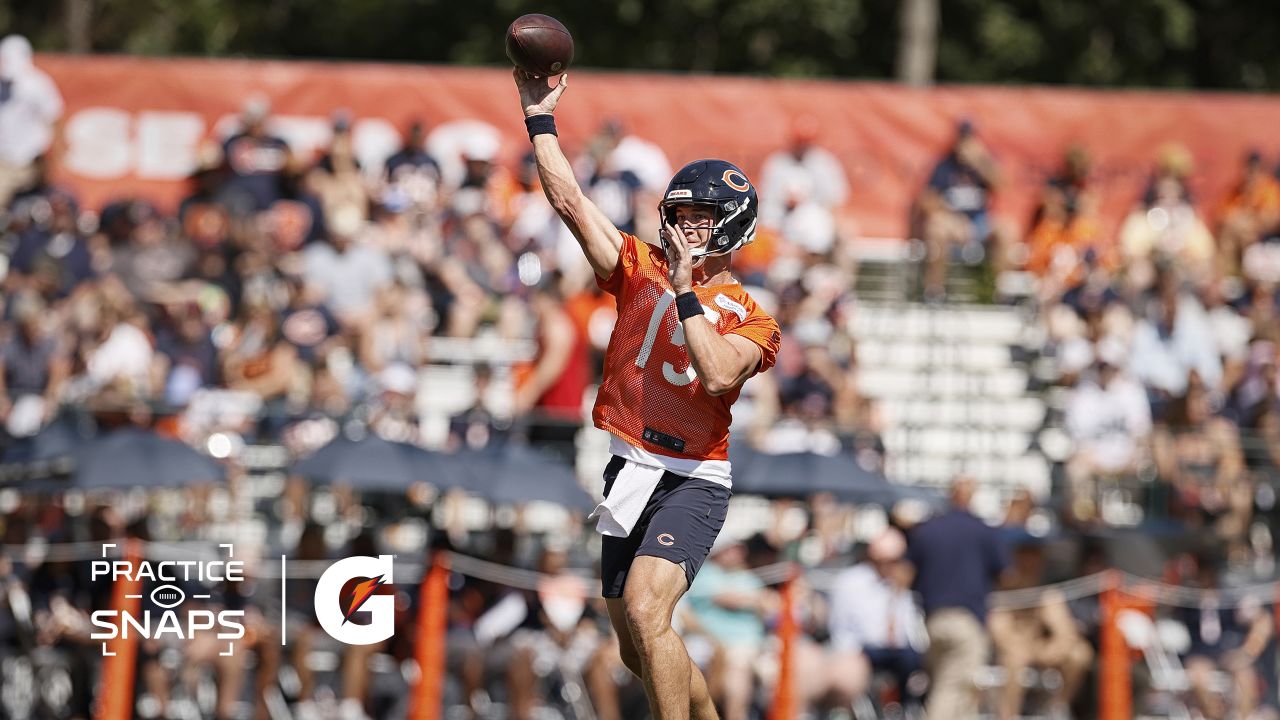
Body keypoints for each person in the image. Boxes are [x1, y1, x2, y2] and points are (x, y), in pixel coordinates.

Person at [512, 69, 782, 720]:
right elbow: (571, 202)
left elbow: (718, 374)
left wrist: (687, 290)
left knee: (646, 607)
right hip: (628, 464)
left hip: (692, 476)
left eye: (700, 218)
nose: (685, 227)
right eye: (680, 214)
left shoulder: (754, 315)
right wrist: (539, 119)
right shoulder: (638, 266)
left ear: (731, 229)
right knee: (637, 646)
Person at [907, 475, 1010, 719]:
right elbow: (1006, 575)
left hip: (933, 622)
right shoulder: (983, 531)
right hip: (966, 623)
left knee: (960, 691)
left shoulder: (928, 531)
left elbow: (906, 574)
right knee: (952, 689)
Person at [0, 35, 63, 208]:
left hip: (30, 162)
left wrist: (53, 162)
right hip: (4, 161)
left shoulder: (37, 84)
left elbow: (55, 118)